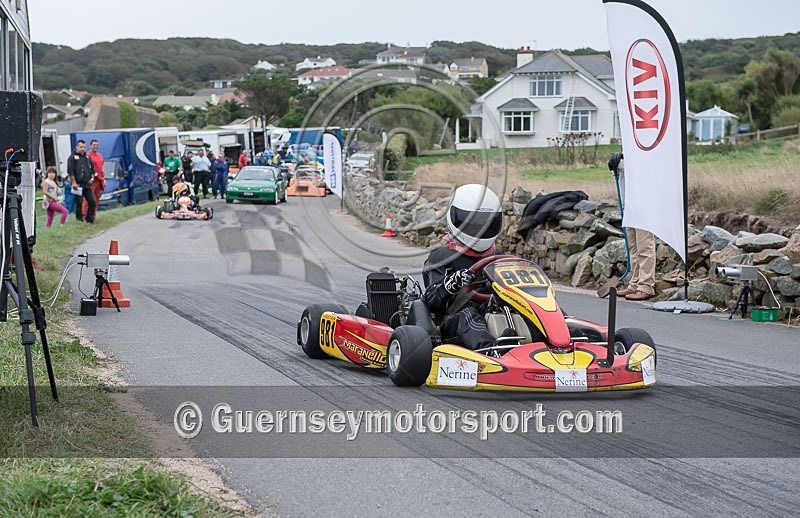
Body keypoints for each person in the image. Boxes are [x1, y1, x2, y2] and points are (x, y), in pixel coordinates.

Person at [421, 184, 504, 350]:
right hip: (452, 322)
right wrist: (450, 284)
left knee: (537, 309)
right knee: (469, 315)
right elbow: (430, 300)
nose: (480, 229)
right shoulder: (441, 257)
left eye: (486, 224)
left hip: (494, 313)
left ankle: (564, 344)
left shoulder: (498, 256)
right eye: (473, 224)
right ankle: (491, 353)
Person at [610, 154, 657, 301]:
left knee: (644, 246)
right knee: (633, 248)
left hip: (643, 203)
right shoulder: (627, 153)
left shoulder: (644, 154)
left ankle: (646, 286)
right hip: (629, 204)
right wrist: (616, 165)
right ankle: (635, 283)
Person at [67, 139, 96, 223]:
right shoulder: (72, 157)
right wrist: (73, 182)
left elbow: (93, 170)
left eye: (84, 147)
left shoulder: (87, 157)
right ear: (77, 147)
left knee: (92, 202)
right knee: (79, 202)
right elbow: (70, 171)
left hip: (87, 183)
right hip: (78, 184)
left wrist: (92, 178)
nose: (82, 149)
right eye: (81, 147)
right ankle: (79, 219)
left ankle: (89, 219)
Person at [86, 139, 106, 220]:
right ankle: (85, 216)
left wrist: (103, 179)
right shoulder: (87, 156)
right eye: (94, 145)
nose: (95, 147)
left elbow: (101, 169)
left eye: (97, 145)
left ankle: (93, 215)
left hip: (99, 181)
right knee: (88, 199)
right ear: (90, 146)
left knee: (96, 199)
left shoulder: (100, 156)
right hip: (91, 181)